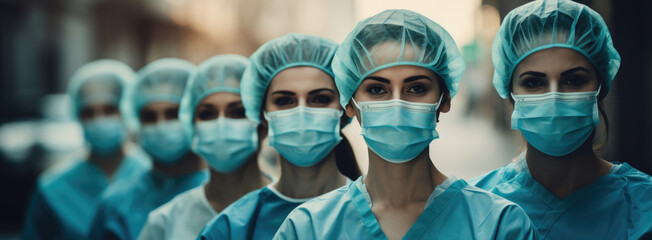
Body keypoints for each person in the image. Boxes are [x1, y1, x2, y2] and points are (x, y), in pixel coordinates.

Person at [274, 9, 535, 240]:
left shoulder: (498, 224)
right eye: (377, 90)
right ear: (350, 104)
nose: (397, 104)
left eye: (416, 88)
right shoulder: (308, 228)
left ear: (444, 99)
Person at [470, 0, 652, 239]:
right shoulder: (475, 208)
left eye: (573, 80)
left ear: (601, 88)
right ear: (510, 93)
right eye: (533, 82)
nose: (554, 98)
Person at [198, 33, 361, 239]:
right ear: (263, 116)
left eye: (319, 99)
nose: (302, 112)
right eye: (285, 101)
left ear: (344, 108)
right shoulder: (232, 228)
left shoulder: (377, 213)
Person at [137, 54, 271, 240]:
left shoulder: (294, 213)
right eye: (207, 114)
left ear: (263, 124)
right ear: (191, 127)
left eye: (238, 112)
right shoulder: (166, 223)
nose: (221, 124)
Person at [23, 60, 150, 240]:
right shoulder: (53, 189)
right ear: (77, 116)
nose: (99, 120)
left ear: (127, 112)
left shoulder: (155, 177)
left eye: (109, 109)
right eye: (89, 112)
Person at [88, 58, 208, 240]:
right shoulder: (116, 206)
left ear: (195, 116)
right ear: (136, 123)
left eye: (172, 113)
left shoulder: (225, 196)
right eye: (150, 117)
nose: (161, 125)